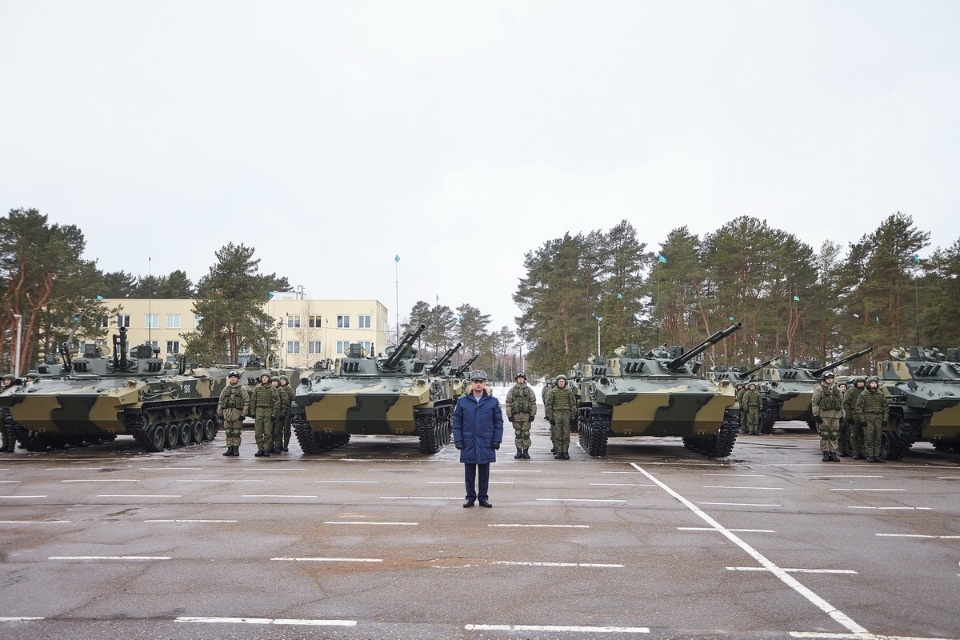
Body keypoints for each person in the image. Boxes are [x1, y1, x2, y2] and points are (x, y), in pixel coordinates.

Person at [452, 370, 503, 508]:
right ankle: (470, 497)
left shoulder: (492, 402)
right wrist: (458, 439)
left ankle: (483, 497)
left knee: (484, 472)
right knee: (469, 472)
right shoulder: (463, 402)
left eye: (481, 382)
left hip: (486, 441)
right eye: (476, 382)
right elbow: (456, 421)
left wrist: (497, 439)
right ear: (472, 384)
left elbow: (498, 422)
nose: (478, 384)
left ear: (484, 383)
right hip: (469, 441)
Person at [854, 376, 889, 463]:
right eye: (872, 383)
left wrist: (885, 419)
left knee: (878, 437)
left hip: (879, 417)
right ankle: (870, 455)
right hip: (868, 416)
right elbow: (858, 407)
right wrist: (862, 419)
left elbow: (886, 407)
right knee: (868, 437)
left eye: (875, 383)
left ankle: (876, 455)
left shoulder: (880, 394)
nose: (874, 385)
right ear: (868, 384)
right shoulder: (863, 394)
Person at [811, 371, 844, 462]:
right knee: (825, 434)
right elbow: (815, 403)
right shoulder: (819, 389)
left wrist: (842, 415)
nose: (830, 380)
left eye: (831, 378)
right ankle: (825, 453)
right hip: (824, 415)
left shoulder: (837, 390)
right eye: (828, 379)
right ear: (824, 379)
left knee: (834, 435)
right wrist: (816, 414)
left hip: (835, 415)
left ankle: (833, 453)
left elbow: (841, 404)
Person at [216, 370, 249, 456]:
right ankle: (229, 448)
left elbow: (246, 401)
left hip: (237, 414)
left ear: (237, 379)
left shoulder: (241, 390)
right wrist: (219, 413)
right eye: (231, 377)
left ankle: (236, 449)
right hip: (227, 413)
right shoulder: (226, 389)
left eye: (234, 377)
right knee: (228, 432)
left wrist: (243, 414)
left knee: (236, 432)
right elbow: (220, 401)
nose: (233, 379)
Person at [505, 372, 537, 459]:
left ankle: (526, 451)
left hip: (526, 416)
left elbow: (533, 403)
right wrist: (509, 415)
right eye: (519, 378)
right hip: (516, 417)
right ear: (516, 379)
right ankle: (519, 451)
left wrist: (532, 414)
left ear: (524, 379)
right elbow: (508, 403)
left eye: (522, 378)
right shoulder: (512, 390)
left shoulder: (529, 390)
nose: (520, 380)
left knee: (526, 434)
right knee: (518, 433)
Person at [250, 372, 280, 457]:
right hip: (259, 410)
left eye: (266, 377)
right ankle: (260, 449)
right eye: (263, 377)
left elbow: (276, 402)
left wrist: (274, 414)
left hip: (268, 411)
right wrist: (252, 412)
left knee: (268, 432)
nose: (264, 379)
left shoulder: (272, 389)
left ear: (268, 379)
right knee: (258, 433)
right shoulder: (257, 388)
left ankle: (266, 449)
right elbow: (253, 401)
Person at [546, 374, 576, 459]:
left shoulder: (569, 391)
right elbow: (549, 405)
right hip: (556, 414)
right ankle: (559, 452)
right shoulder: (552, 392)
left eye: (563, 381)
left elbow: (573, 404)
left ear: (565, 382)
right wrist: (550, 417)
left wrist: (573, 416)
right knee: (557, 434)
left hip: (567, 414)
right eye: (560, 381)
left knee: (566, 434)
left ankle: (565, 452)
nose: (561, 383)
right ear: (557, 382)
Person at [845, 377, 866, 459]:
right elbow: (846, 403)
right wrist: (849, 416)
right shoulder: (851, 391)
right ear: (856, 383)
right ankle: (856, 452)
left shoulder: (866, 391)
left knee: (864, 435)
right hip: (854, 413)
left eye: (862, 382)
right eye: (859, 382)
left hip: (864, 413)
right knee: (855, 434)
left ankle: (864, 451)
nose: (861, 384)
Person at [277, 375, 295, 452]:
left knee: (286, 430)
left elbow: (293, 399)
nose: (282, 381)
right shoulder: (277, 389)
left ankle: (285, 445)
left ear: (286, 381)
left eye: (283, 380)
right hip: (279, 410)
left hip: (287, 410)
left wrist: (292, 411)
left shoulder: (289, 389)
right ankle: (279, 445)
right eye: (280, 380)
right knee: (278, 429)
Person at [836, 379, 852, 456]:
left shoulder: (848, 395)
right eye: (841, 387)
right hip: (840, 418)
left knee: (847, 435)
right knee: (840, 435)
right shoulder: (836, 396)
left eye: (844, 387)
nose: (843, 388)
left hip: (848, 417)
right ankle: (840, 450)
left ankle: (847, 450)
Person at [269, 375, 285, 453]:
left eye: (275, 382)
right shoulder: (269, 390)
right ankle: (271, 447)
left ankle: (278, 447)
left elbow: (285, 403)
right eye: (272, 382)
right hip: (270, 413)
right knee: (270, 431)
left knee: (277, 432)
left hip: (278, 413)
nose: (274, 383)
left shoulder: (282, 391)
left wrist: (282, 413)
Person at [1, 373, 16, 453]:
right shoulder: (2, 389)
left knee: (11, 429)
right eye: (5, 380)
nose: (6, 382)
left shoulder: (15, 389)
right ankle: (5, 445)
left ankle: (11, 446)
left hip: (11, 410)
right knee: (3, 429)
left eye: (8, 380)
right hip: (2, 410)